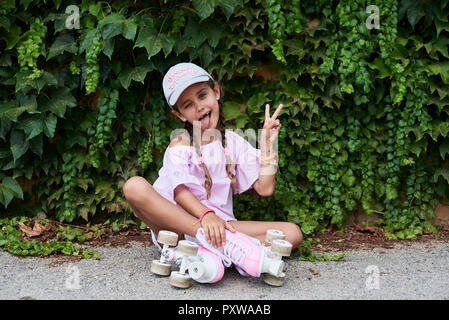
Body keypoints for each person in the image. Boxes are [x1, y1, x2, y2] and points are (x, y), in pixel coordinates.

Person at [123, 62, 302, 280]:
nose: (198, 107)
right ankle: (220, 246)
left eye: (202, 95)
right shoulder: (180, 145)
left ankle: (209, 253)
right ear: (179, 115)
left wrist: (267, 147)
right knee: (134, 187)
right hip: (178, 228)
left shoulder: (233, 142)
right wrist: (205, 220)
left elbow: (265, 188)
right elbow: (180, 193)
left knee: (292, 233)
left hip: (223, 227)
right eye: (187, 105)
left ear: (216, 92)